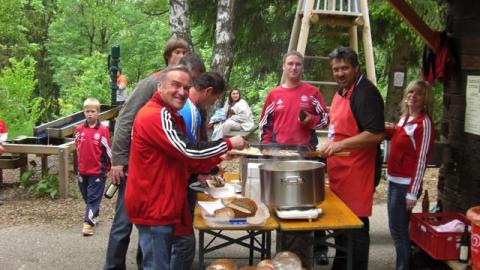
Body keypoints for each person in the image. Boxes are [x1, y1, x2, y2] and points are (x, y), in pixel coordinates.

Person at [124, 65, 246, 270]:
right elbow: (188, 150)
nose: (181, 91)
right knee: (156, 265)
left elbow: (183, 160)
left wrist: (218, 158)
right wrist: (228, 143)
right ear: (160, 86)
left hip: (169, 200)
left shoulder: (173, 115)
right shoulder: (156, 115)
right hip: (155, 204)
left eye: (185, 87)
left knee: (182, 244)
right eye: (175, 85)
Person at [103, 36, 189, 270]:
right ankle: (112, 266)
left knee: (148, 227)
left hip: (155, 169)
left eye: (184, 52)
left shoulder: (180, 87)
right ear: (168, 55)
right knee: (123, 223)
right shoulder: (153, 83)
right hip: (133, 166)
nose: (181, 56)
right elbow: (125, 119)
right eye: (177, 52)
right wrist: (118, 160)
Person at [259, 51, 329, 268]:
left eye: (298, 64)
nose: (294, 68)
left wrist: (311, 121)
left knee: (310, 202)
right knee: (283, 203)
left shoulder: (312, 92)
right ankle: (284, 251)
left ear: (303, 68)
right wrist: (266, 147)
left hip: (305, 155)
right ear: (284, 66)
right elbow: (265, 124)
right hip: (280, 154)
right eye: (290, 63)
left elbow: (326, 120)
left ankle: (319, 249)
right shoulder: (274, 94)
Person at [319, 46, 385, 270]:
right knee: (340, 228)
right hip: (340, 169)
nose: (339, 73)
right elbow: (338, 123)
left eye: (345, 68)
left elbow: (376, 134)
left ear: (356, 68)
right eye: (336, 69)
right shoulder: (341, 90)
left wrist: (339, 145)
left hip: (358, 170)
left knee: (355, 227)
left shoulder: (365, 93)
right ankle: (340, 265)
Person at [173, 71, 227, 270]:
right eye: (215, 98)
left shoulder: (189, 109)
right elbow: (189, 151)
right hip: (178, 183)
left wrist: (205, 168)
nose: (213, 102)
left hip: (183, 177)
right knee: (183, 241)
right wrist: (207, 167)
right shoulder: (190, 111)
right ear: (208, 91)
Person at [386, 79, 435, 270]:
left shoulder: (425, 124)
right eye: (410, 92)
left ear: (425, 100)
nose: (413, 96)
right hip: (393, 180)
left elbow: (421, 160)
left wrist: (412, 193)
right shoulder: (405, 118)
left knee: (398, 232)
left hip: (405, 185)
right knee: (398, 230)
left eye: (419, 94)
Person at [74, 98, 112, 236]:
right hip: (83, 171)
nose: (90, 114)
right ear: (84, 112)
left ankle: (87, 224)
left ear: (98, 113)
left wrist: (109, 168)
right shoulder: (79, 130)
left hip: (97, 172)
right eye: (87, 111)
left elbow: (108, 150)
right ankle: (94, 214)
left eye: (93, 111)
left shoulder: (103, 131)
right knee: (87, 197)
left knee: (93, 198)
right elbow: (77, 147)